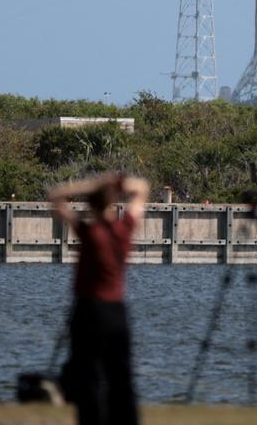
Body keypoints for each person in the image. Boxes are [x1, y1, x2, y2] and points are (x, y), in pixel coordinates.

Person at [49, 172, 149, 425]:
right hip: (117, 310)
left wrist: (91, 184)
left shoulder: (89, 232)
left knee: (89, 374)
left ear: (90, 205)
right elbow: (142, 189)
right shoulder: (123, 229)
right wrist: (114, 183)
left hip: (89, 309)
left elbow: (55, 197)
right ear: (112, 204)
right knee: (121, 375)